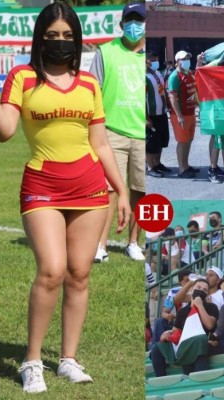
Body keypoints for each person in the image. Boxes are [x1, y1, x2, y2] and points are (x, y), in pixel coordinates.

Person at [0, 2, 131, 393]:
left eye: (67, 36)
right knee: (51, 271)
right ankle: (32, 362)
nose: (60, 42)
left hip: (91, 189)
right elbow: (5, 131)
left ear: (77, 40)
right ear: (40, 37)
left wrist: (122, 191)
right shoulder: (23, 77)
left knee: (79, 274)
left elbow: (100, 142)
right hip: (42, 187)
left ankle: (68, 360)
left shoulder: (89, 84)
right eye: (52, 35)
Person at [90, 2, 145, 263]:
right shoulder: (106, 51)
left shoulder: (150, 55)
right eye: (130, 20)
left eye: (140, 20)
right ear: (122, 24)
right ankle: (99, 245)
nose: (135, 25)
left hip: (144, 135)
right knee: (109, 189)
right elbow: (93, 92)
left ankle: (133, 243)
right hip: (111, 130)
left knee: (141, 191)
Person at [150, 278, 219, 376]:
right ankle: (160, 380)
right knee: (156, 348)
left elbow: (210, 324)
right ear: (191, 290)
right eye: (198, 287)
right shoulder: (182, 312)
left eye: (204, 290)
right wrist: (168, 334)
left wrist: (199, 306)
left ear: (207, 294)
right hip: (184, 344)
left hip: (202, 343)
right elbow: (176, 332)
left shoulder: (212, 307)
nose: (201, 291)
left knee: (199, 340)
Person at [168, 50, 199, 178]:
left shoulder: (189, 73)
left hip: (191, 112)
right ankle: (181, 169)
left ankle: (186, 165)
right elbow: (172, 98)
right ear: (177, 62)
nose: (186, 61)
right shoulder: (175, 76)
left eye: (187, 58)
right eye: (183, 59)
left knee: (188, 140)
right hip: (181, 114)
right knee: (182, 141)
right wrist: (179, 116)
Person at [146, 49, 170, 178]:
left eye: (156, 60)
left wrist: (168, 106)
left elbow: (161, 92)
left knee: (161, 140)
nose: (155, 62)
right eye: (152, 60)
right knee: (151, 142)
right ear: (146, 61)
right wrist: (145, 118)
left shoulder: (157, 73)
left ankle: (157, 163)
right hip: (151, 115)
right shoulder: (143, 76)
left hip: (162, 113)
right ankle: (150, 167)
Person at [152, 269, 191, 343]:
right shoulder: (174, 291)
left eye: (191, 280)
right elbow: (164, 313)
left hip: (190, 322)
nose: (190, 283)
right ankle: (157, 347)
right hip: (177, 322)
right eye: (187, 280)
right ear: (181, 282)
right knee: (159, 322)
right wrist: (168, 316)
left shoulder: (196, 290)